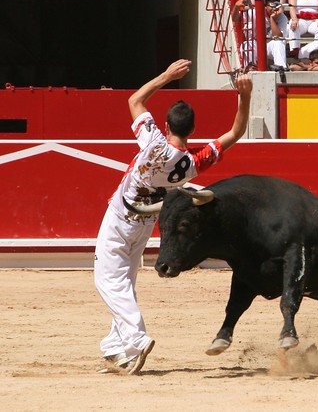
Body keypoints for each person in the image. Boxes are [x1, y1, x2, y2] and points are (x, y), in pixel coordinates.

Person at [94, 59, 253, 375]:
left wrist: (167, 76)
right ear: (192, 130)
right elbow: (236, 131)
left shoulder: (151, 140)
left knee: (107, 279)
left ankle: (137, 338)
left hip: (120, 216)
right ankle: (118, 348)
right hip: (145, 225)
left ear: (165, 125)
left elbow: (135, 100)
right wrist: (244, 96)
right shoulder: (193, 163)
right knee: (124, 281)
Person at [232, 0, 289, 70]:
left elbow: (278, 36)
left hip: (270, 45)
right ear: (265, 6)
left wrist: (272, 19)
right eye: (271, 6)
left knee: (278, 42)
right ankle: (250, 66)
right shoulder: (256, 12)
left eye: (276, 6)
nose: (274, 9)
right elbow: (235, 19)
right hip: (257, 43)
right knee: (246, 45)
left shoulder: (282, 17)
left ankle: (281, 67)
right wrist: (236, 6)